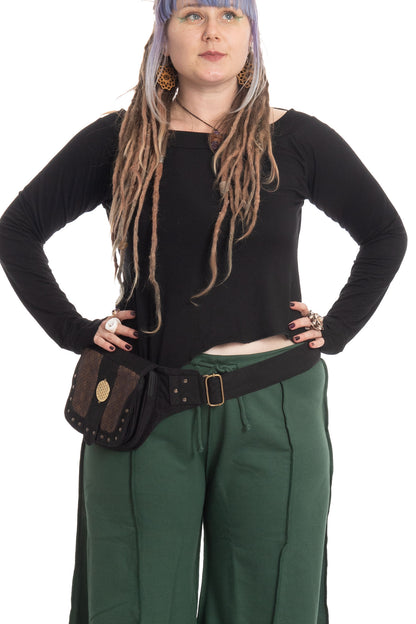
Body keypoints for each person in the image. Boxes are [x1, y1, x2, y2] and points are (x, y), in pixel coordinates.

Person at [0, 0, 407, 622]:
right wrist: (75, 331)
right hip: (145, 401)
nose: (213, 30)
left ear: (251, 36)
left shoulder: (297, 140)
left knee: (273, 603)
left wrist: (338, 328)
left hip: (275, 402)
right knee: (132, 603)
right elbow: (17, 231)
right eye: (192, 14)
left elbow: (384, 234)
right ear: (164, 34)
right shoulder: (120, 139)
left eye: (230, 14)